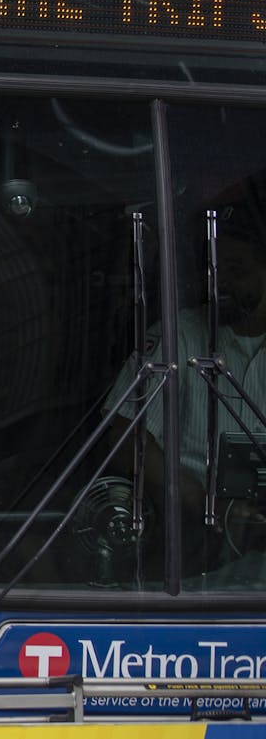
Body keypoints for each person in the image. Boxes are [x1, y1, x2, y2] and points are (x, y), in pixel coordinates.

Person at [107, 203, 266, 567]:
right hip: (190, 535)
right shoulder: (177, 334)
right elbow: (125, 435)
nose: (220, 282)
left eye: (236, 270)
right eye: (213, 270)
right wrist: (192, 497)